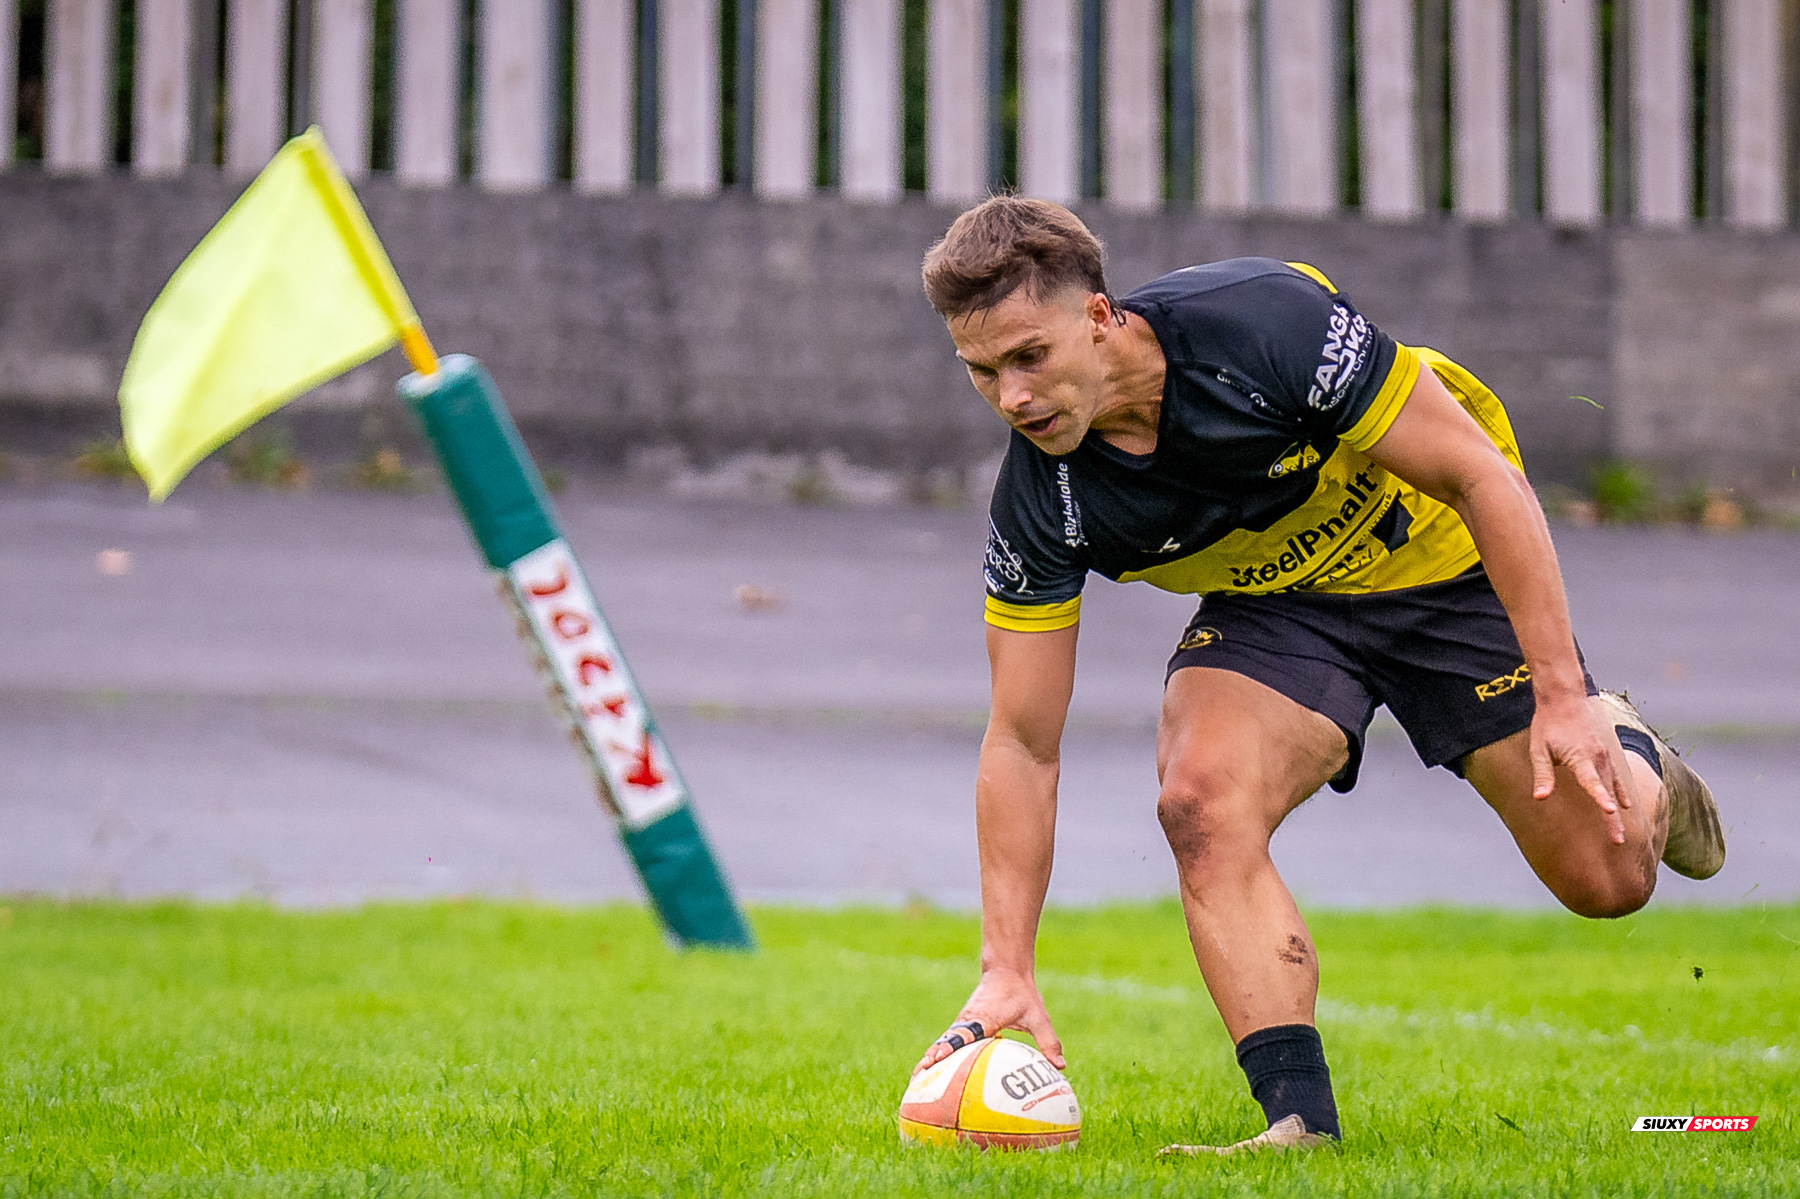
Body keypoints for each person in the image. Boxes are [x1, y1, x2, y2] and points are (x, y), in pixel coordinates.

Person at [910, 196, 1724, 1155]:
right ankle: (1300, 1124)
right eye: (983, 370)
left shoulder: (1265, 326)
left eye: (1029, 356)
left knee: (1608, 877)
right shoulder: (1039, 502)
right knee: (1199, 803)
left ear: (1098, 317)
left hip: (1440, 554)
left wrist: (1561, 695)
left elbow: (1480, 476)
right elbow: (1022, 740)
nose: (1013, 396)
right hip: (1279, 607)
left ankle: (1634, 752)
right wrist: (1007, 961)